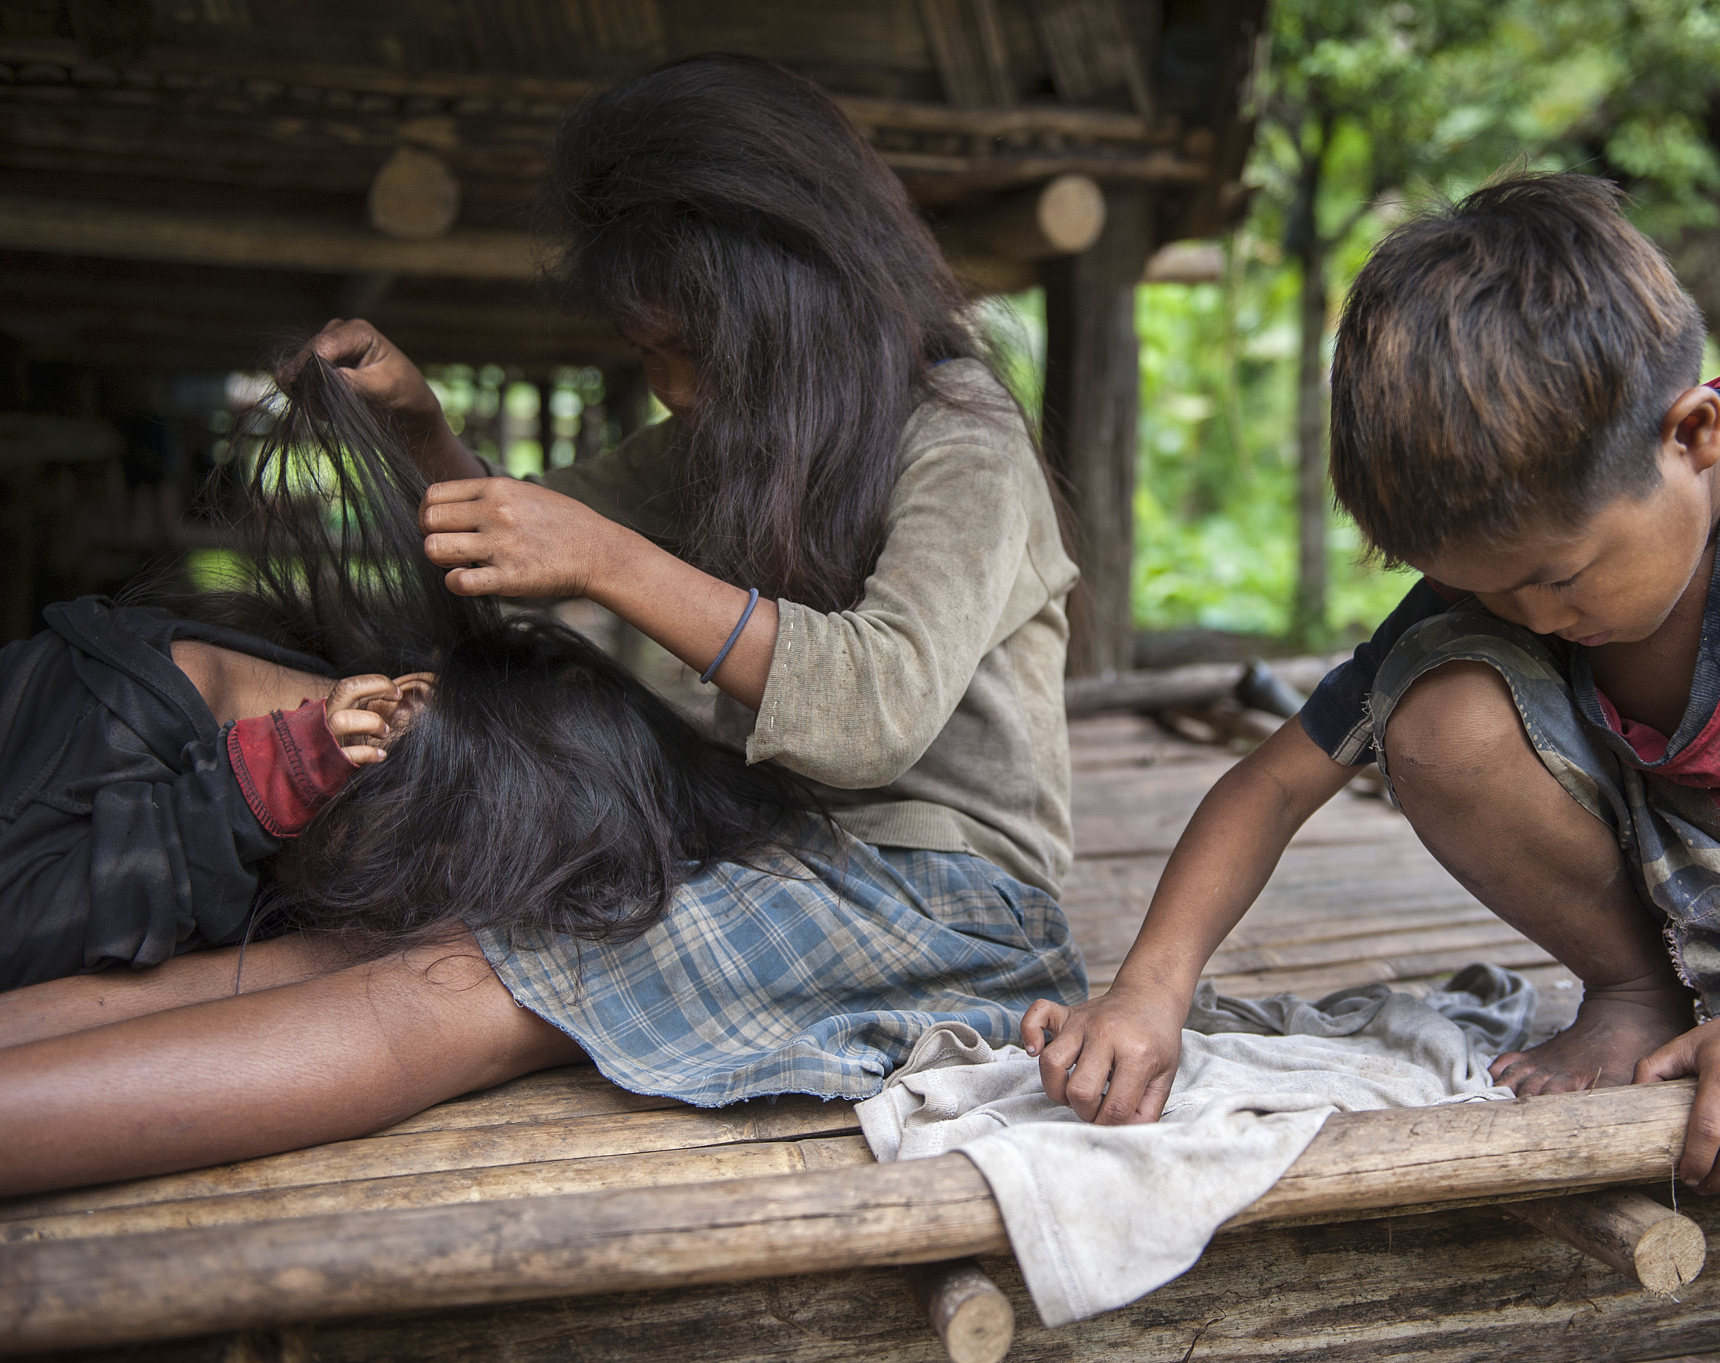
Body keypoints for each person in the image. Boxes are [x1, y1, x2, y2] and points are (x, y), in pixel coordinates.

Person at [0, 54, 1085, 1197]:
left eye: (686, 348)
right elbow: (530, 541)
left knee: (450, 995)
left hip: (951, 913)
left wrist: (613, 563)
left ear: (787, 310)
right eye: (652, 352)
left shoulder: (962, 440)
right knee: (357, 952)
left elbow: (875, 710)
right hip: (774, 842)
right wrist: (420, 429)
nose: (669, 385)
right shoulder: (748, 433)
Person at [1023, 173, 1720, 1358]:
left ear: (1692, 434)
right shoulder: (1508, 571)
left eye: (1557, 577)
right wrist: (1147, 993)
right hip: (1697, 930)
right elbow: (1267, 784)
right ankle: (1632, 988)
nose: (1531, 614)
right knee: (1437, 709)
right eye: (1487, 587)